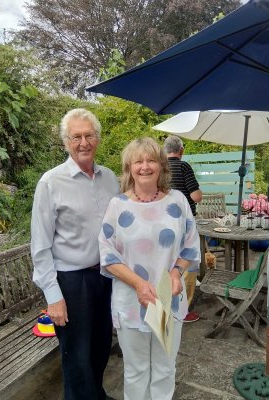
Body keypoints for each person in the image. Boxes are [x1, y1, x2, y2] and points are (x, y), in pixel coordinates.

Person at [98, 137, 200, 400]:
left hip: (169, 301)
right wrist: (139, 284)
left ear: (162, 165)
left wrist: (177, 272)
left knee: (165, 368)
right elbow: (108, 255)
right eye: (138, 161)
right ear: (129, 167)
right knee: (135, 370)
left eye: (151, 160)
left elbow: (190, 246)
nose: (145, 166)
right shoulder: (117, 205)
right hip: (131, 302)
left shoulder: (177, 201)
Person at [31, 108, 119, 400]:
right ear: (66, 142)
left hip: (106, 276)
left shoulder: (109, 179)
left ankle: (97, 394)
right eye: (76, 136)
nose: (83, 142)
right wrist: (53, 296)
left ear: (98, 138)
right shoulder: (50, 182)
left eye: (89, 135)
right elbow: (40, 245)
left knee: (101, 344)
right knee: (77, 356)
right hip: (71, 282)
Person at [163, 135, 203, 323]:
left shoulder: (160, 167)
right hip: (183, 223)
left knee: (168, 262)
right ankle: (183, 309)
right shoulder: (183, 166)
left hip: (163, 222)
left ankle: (166, 305)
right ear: (181, 150)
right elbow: (195, 197)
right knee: (188, 263)